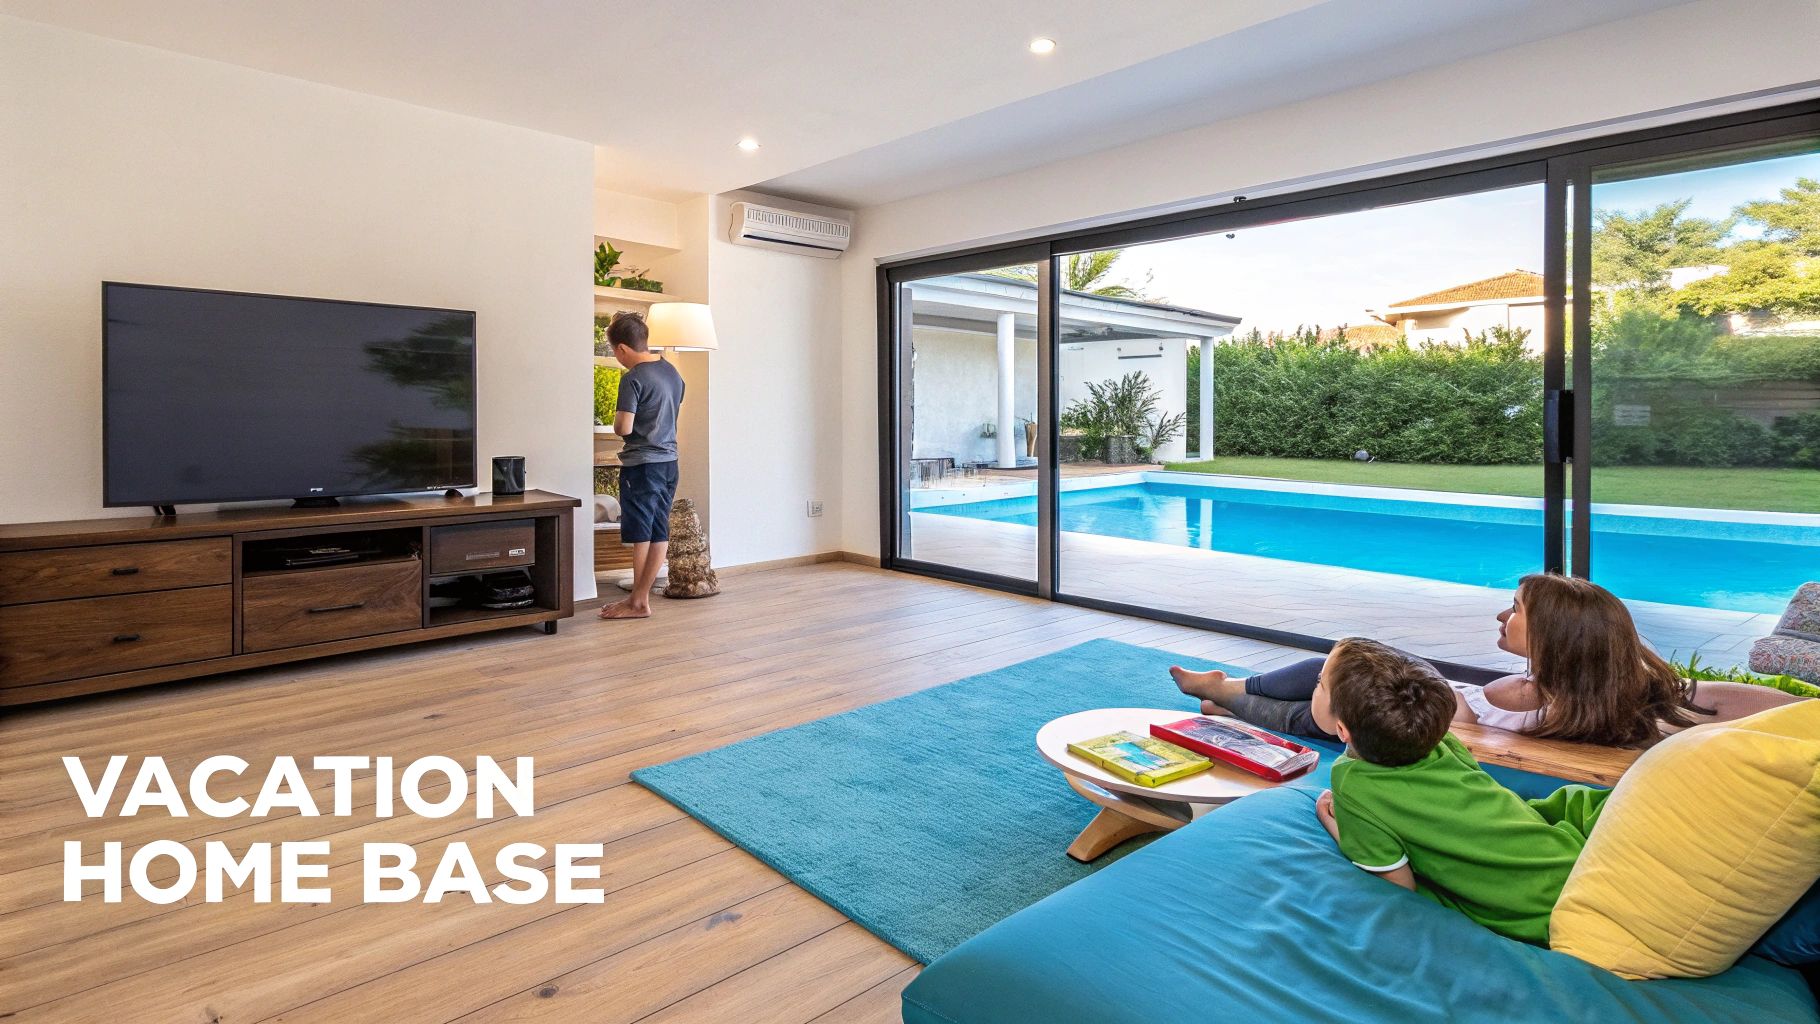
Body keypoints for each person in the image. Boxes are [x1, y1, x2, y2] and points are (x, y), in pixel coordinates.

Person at [1170, 572, 1792, 747]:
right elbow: (1795, 711)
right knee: (1348, 654)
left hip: (1437, 725)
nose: (1503, 616)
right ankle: (1231, 687)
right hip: (1450, 703)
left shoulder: (1589, 714)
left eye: (1515, 609)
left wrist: (1461, 715)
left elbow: (1472, 747)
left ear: (1556, 637)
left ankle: (1230, 701)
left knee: (1324, 707)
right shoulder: (1632, 688)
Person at [1310, 637, 1606, 945]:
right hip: (1572, 858)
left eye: (1320, 682)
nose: (1315, 685)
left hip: (1541, 914)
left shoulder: (1353, 785)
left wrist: (1336, 824)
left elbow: (1397, 886)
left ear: (1343, 729)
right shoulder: (1441, 741)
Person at [599, 311, 685, 621]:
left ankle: (638, 601)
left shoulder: (632, 378)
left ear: (621, 349)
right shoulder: (672, 372)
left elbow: (623, 427)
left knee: (640, 534)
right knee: (659, 529)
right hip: (669, 463)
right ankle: (640, 599)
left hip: (642, 465)